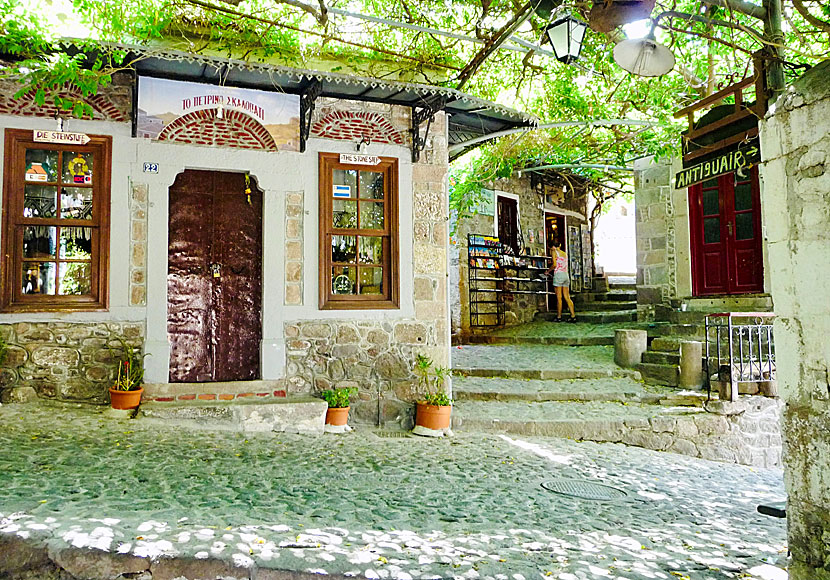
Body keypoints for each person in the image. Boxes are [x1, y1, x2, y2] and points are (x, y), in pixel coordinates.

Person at [544, 242, 576, 322]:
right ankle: (573, 316)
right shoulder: (564, 253)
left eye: (550, 248)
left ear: (553, 247)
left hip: (558, 275)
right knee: (567, 297)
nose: (550, 250)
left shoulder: (554, 252)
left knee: (559, 298)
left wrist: (548, 271)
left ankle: (559, 317)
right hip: (565, 275)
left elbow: (554, 265)